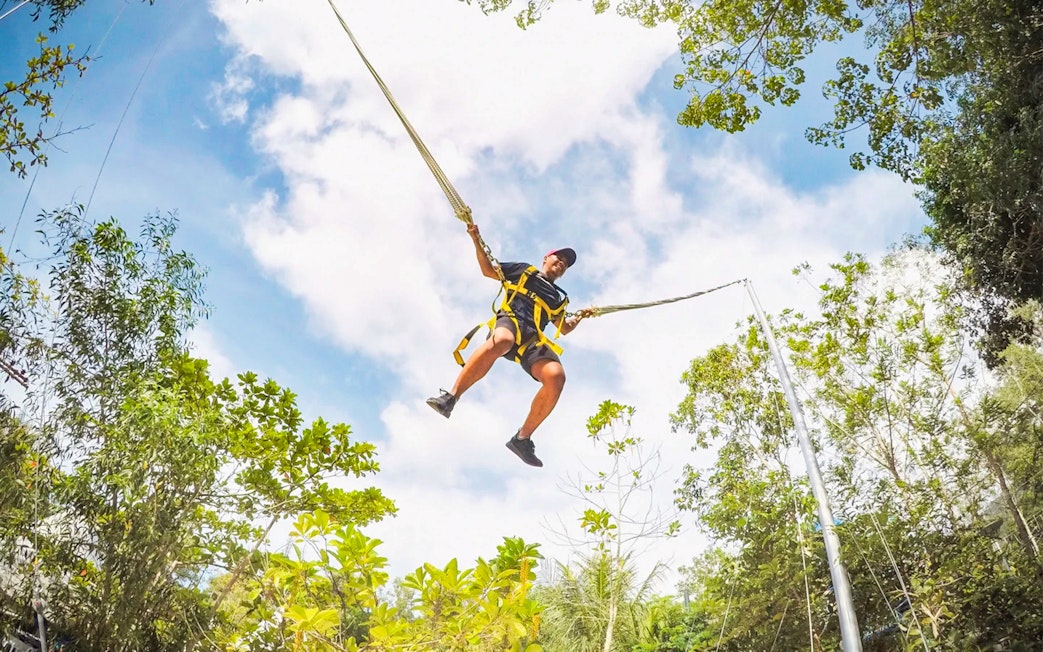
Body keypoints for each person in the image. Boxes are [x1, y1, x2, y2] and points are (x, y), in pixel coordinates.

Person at [426, 222, 586, 467]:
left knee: (556, 377)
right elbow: (489, 270)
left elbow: (563, 327)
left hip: (531, 339)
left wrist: (579, 317)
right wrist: (476, 239)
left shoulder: (558, 298)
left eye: (566, 262)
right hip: (510, 321)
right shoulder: (525, 271)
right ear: (547, 258)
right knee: (502, 340)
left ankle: (522, 439)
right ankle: (451, 397)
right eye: (559, 257)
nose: (562, 262)